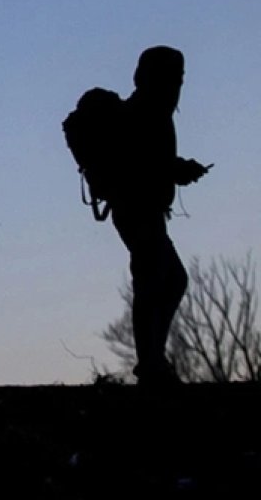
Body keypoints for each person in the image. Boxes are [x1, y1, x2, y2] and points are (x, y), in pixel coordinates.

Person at [110, 46, 210, 386]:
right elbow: (143, 163)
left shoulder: (149, 109)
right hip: (136, 209)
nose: (179, 85)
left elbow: (152, 162)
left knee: (166, 280)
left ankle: (152, 360)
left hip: (143, 209)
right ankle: (150, 364)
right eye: (175, 77)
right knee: (154, 280)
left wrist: (177, 169)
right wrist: (179, 170)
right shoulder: (145, 111)